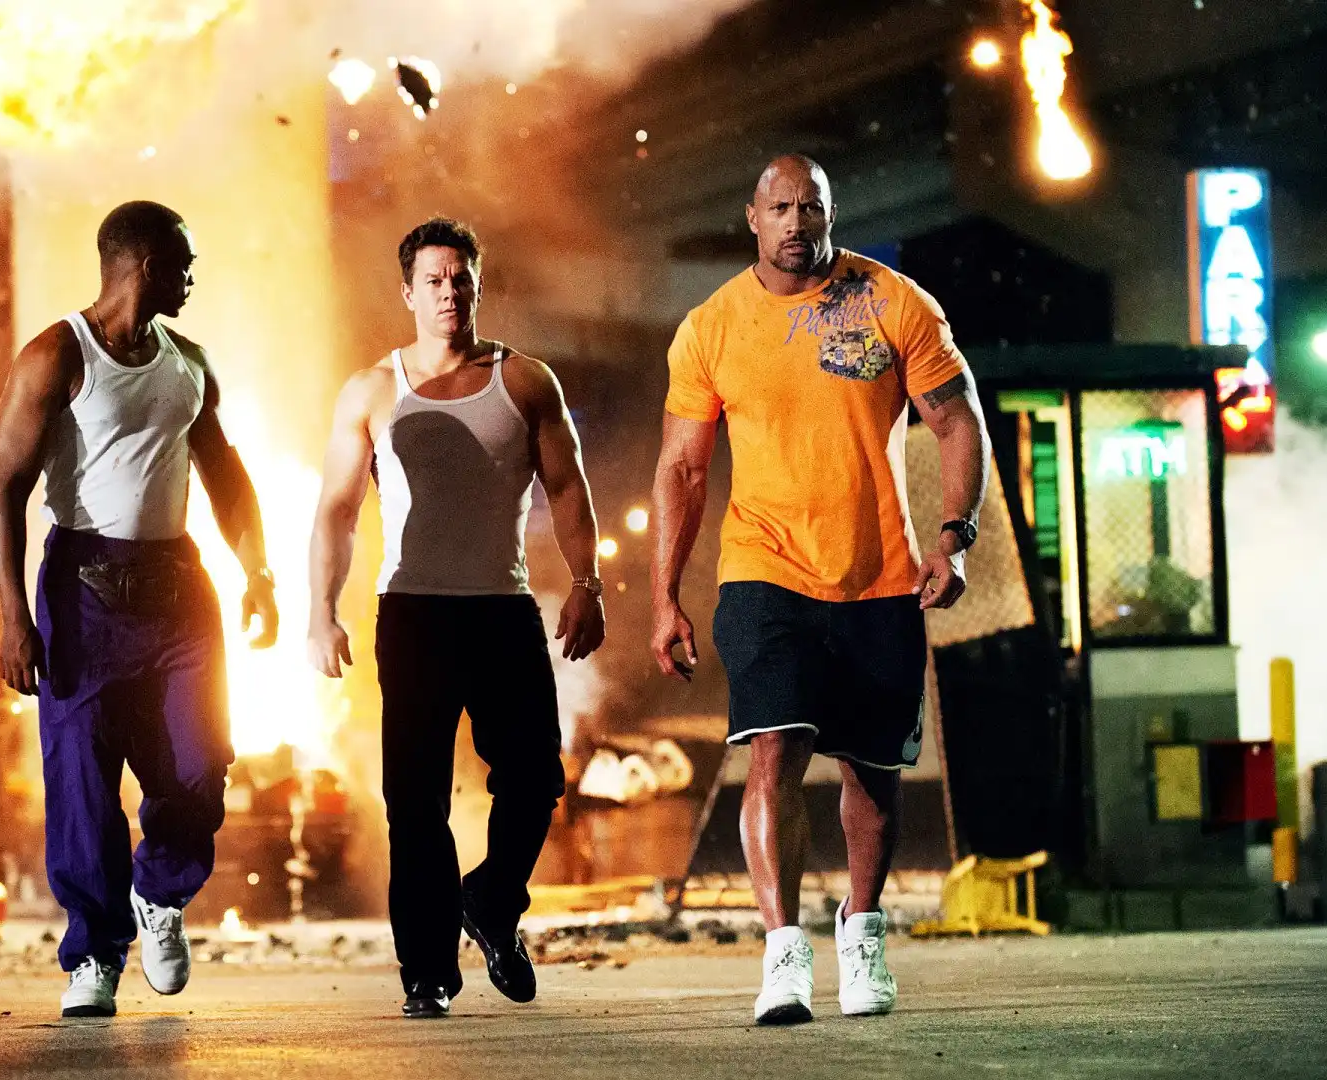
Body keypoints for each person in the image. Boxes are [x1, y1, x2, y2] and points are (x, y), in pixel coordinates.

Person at [649, 156, 989, 1025]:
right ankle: (783, 953)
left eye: (811, 207)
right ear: (752, 217)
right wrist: (664, 597)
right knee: (776, 744)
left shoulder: (894, 303)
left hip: (879, 574)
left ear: (831, 213)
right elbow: (683, 469)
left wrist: (954, 537)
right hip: (763, 567)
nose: (796, 223)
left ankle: (862, 932)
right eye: (780, 208)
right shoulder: (711, 327)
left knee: (872, 772)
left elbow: (957, 421)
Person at [0, 201, 278, 1018]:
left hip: (179, 589)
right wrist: (12, 616)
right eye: (185, 264)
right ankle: (94, 955)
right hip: (83, 590)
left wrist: (258, 571)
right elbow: (3, 487)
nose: (192, 279)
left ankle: (159, 895)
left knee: (201, 764)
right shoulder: (56, 355)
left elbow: (226, 475)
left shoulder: (189, 362)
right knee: (82, 781)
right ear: (147, 265)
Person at [307, 217, 605, 1019]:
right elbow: (336, 510)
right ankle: (427, 972)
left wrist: (589, 584)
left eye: (460, 279)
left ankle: (493, 900)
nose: (449, 292)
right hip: (413, 616)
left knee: (536, 779)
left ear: (478, 285)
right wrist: (320, 612)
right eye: (433, 281)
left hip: (502, 609)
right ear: (407, 292)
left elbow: (567, 490)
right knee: (415, 802)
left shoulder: (526, 381)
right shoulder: (372, 390)